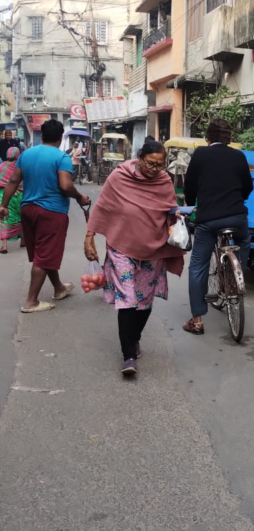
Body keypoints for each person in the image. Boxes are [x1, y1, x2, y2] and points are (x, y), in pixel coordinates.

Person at [84, 140, 186, 376]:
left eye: (159, 165)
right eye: (150, 163)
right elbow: (103, 207)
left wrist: (176, 215)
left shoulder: (164, 181)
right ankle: (128, 355)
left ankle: (135, 337)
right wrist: (89, 237)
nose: (154, 169)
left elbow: (169, 209)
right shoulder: (119, 178)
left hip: (153, 248)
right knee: (128, 298)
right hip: (121, 247)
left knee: (144, 301)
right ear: (140, 158)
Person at [0, 119, 90, 313]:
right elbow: (66, 186)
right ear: (60, 138)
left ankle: (58, 288)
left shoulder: (26, 155)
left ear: (41, 136)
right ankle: (31, 301)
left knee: (43, 252)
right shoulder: (61, 157)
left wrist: (3, 205)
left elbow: (13, 180)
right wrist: (80, 197)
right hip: (51, 212)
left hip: (28, 210)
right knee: (44, 255)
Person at [182, 119, 253, 335]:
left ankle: (196, 320)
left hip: (208, 221)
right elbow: (247, 187)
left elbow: (190, 187)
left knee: (198, 266)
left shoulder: (201, 154)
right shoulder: (239, 156)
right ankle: (235, 276)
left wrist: (194, 202)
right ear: (229, 139)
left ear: (208, 138)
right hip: (237, 218)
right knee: (244, 242)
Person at [0, 148, 24, 253]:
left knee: (4, 218)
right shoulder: (20, 167)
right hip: (19, 195)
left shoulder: (2, 166)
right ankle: (23, 241)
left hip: (4, 194)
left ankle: (4, 245)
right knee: (21, 216)